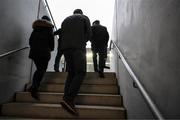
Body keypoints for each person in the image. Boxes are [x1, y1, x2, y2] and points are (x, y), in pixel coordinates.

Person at [59, 9, 91, 115]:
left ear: (74, 12)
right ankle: (69, 99)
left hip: (66, 49)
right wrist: (83, 41)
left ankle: (65, 97)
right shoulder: (84, 18)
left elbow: (61, 34)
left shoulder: (65, 19)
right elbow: (89, 34)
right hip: (78, 48)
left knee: (71, 73)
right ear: (81, 12)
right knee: (81, 72)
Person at [28, 15, 54, 100]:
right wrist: (50, 49)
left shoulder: (35, 29)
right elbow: (51, 43)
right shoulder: (49, 29)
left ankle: (33, 86)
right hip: (44, 53)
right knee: (41, 70)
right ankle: (34, 88)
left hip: (34, 53)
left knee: (39, 69)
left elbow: (30, 41)